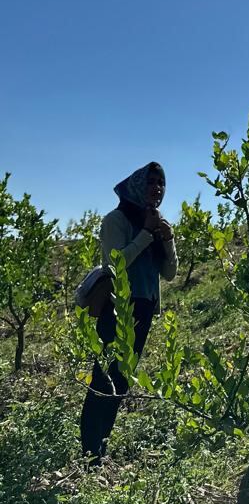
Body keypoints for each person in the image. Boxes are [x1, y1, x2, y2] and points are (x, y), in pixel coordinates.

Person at [79, 161, 178, 459]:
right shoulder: (117, 220)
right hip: (116, 308)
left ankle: (101, 447)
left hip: (144, 309)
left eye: (160, 183)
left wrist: (167, 239)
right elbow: (114, 265)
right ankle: (89, 451)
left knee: (122, 379)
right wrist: (146, 234)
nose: (157, 188)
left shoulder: (154, 221)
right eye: (150, 182)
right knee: (104, 377)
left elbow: (170, 273)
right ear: (136, 186)